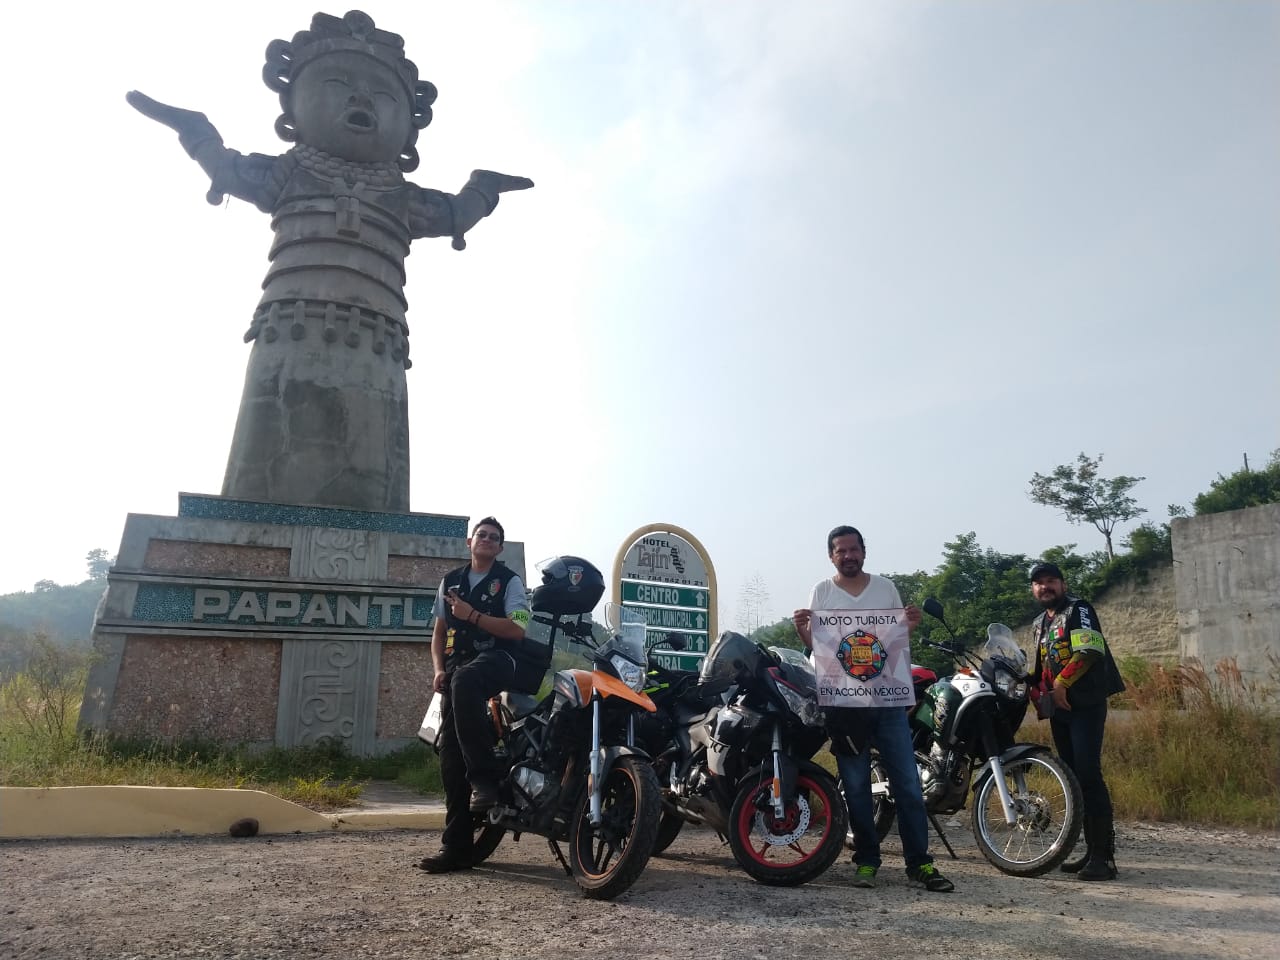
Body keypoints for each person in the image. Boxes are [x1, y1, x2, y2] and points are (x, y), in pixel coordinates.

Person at [793, 525, 954, 893]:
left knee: (909, 786)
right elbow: (822, 652)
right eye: (840, 551)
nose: (848, 555)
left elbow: (891, 646)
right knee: (856, 787)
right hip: (846, 709)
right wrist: (804, 632)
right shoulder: (822, 591)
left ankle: (920, 864)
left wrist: (908, 628)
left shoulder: (885, 588)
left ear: (864, 551)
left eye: (854, 549)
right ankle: (867, 859)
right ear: (831, 556)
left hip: (887, 705)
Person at [417, 517, 531, 873]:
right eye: (481, 535)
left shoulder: (510, 582)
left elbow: (518, 626)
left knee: (465, 680)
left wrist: (474, 616)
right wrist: (438, 669)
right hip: (457, 669)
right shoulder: (449, 582)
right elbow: (439, 632)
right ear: (470, 542)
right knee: (450, 756)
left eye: (494, 538)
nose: (486, 540)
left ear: (500, 547)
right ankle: (457, 848)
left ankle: (484, 778)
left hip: (498, 659)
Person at [1028, 561, 1125, 881]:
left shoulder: (1078, 609)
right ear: (1033, 589)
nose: (1045, 586)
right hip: (1061, 711)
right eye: (1039, 582)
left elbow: (1089, 650)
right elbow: (1042, 666)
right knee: (1072, 778)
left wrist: (1061, 684)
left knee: (1088, 773)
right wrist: (1036, 691)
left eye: (1051, 580)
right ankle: (1089, 851)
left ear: (1063, 584)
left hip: (1086, 704)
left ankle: (1105, 858)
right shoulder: (1039, 623)